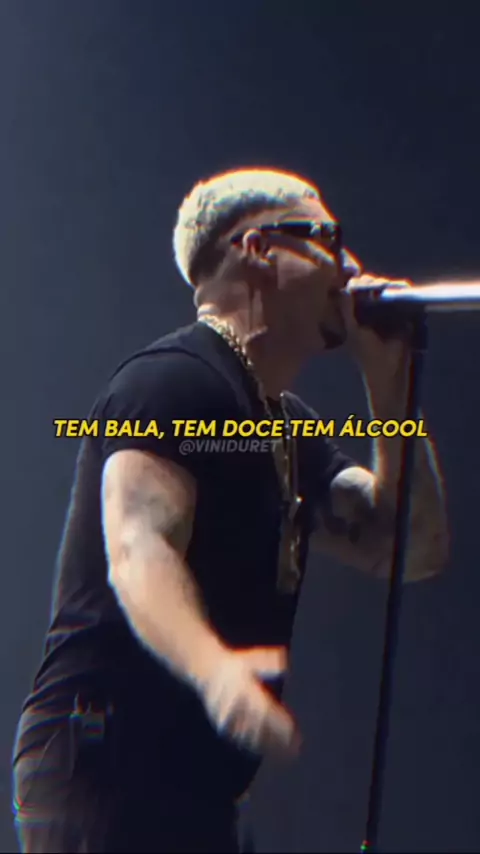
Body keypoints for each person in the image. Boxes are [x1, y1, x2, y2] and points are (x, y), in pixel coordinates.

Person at [12, 168, 449, 853]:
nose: (350, 266)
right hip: (107, 762)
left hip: (192, 786)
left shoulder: (285, 430)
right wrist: (215, 669)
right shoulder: (172, 380)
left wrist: (388, 384)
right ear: (257, 247)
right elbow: (139, 547)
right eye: (328, 239)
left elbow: (410, 549)